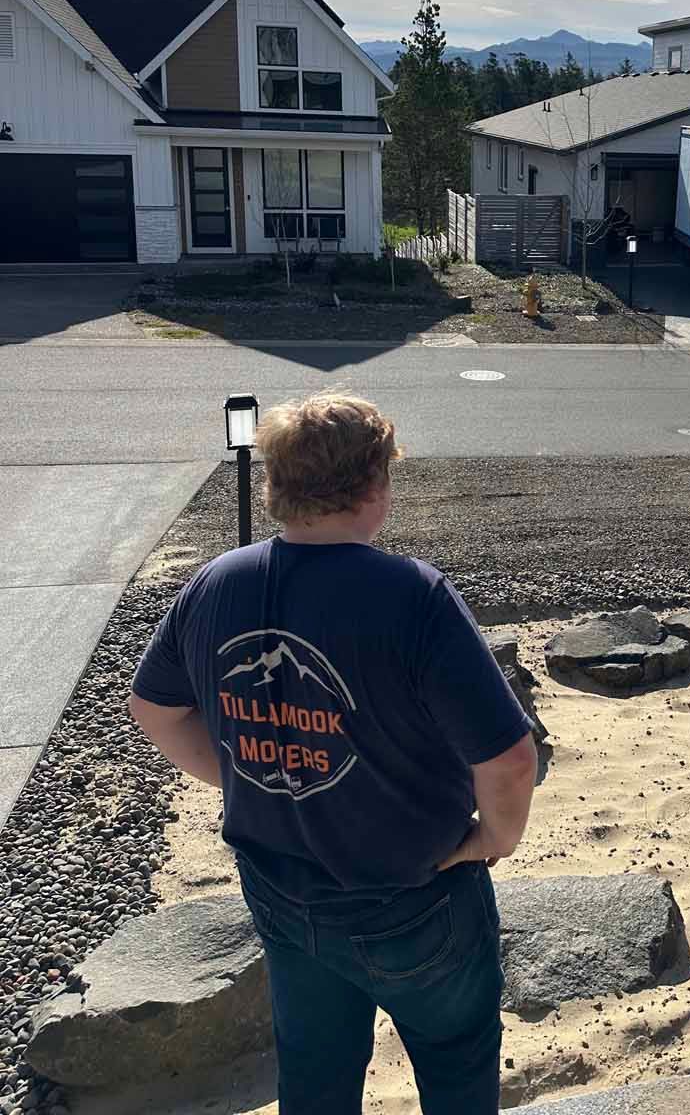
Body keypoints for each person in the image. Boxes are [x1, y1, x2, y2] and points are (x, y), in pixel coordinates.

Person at [129, 391, 538, 1115]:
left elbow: (153, 710)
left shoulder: (215, 582)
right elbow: (508, 759)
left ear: (276, 484)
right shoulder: (414, 597)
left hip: (283, 892)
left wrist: (245, 773)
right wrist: (493, 839)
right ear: (375, 487)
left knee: (315, 1078)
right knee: (457, 1065)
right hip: (415, 899)